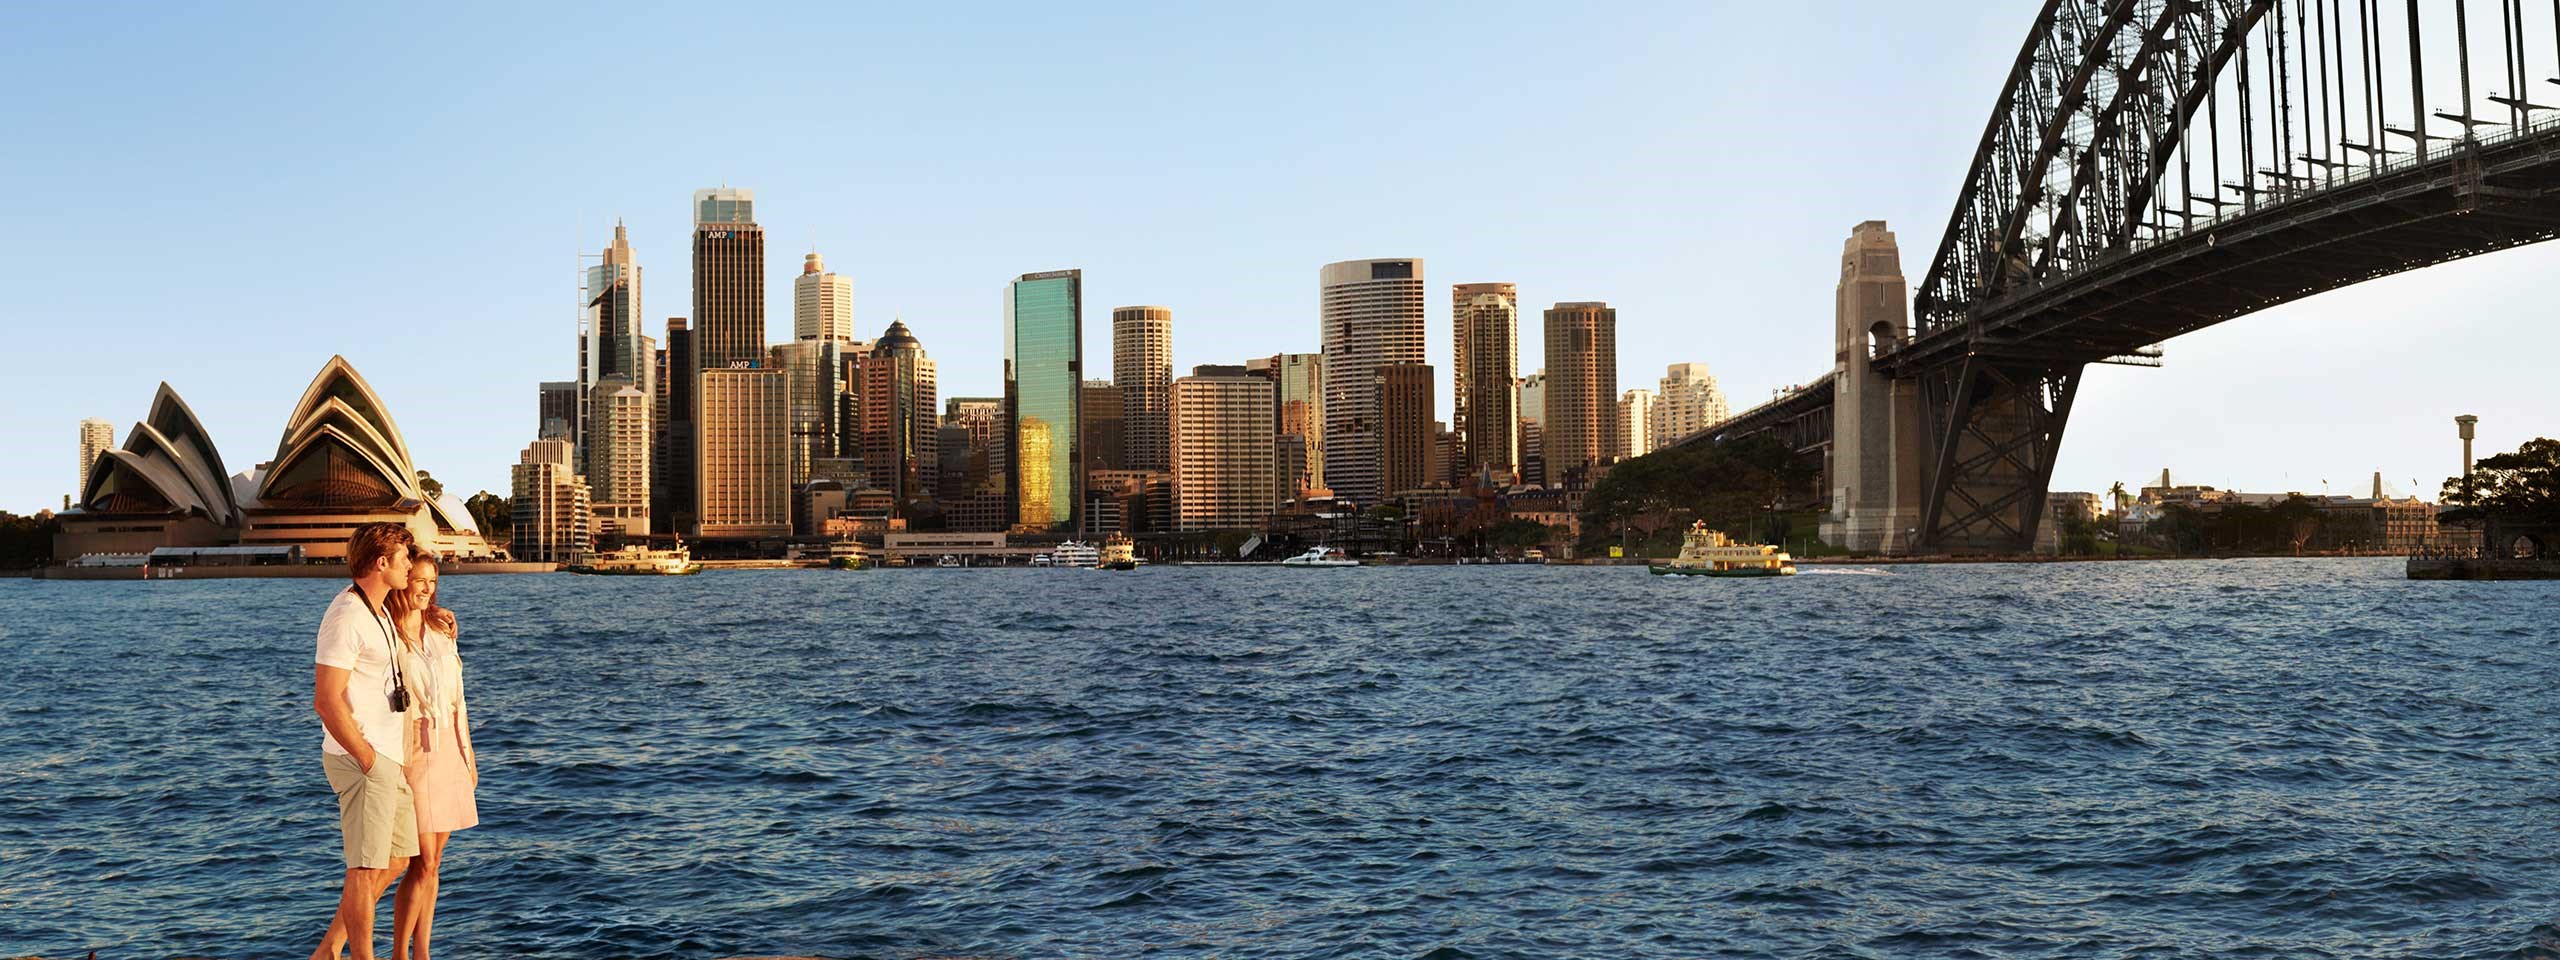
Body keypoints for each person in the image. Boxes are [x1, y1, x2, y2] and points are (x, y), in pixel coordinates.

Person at [311, 522, 419, 960]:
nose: (410, 566)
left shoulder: (380, 610)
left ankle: (327, 951)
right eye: (404, 559)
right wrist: (367, 757)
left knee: (396, 859)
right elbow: (326, 698)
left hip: (386, 756)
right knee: (364, 867)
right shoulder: (347, 615)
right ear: (381, 563)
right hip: (364, 759)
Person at [387, 548, 477, 960]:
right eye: (419, 579)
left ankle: (422, 951)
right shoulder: (389, 635)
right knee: (419, 861)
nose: (426, 588)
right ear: (404, 579)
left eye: (432, 581)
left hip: (450, 751)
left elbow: (460, 700)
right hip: (414, 752)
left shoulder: (441, 632)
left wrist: (469, 756)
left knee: (435, 862)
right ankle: (400, 953)